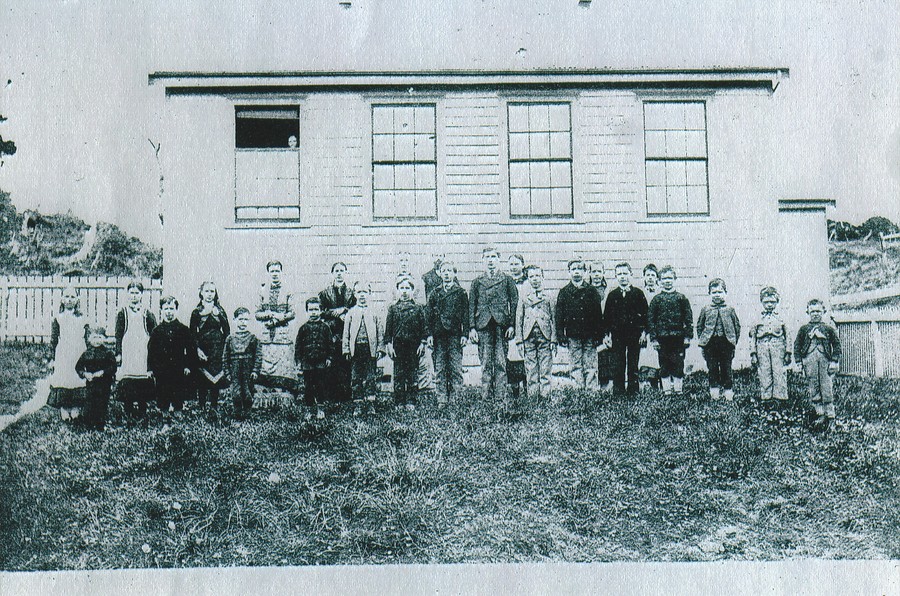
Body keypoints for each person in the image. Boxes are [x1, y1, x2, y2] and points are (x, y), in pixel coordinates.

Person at [469, 247, 519, 401]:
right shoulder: (477, 282)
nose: (490, 260)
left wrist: (511, 325)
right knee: (485, 362)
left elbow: (514, 303)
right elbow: (471, 305)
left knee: (500, 361)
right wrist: (472, 328)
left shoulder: (507, 280)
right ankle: (486, 396)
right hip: (483, 325)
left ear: (499, 260)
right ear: (483, 260)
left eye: (493, 257)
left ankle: (500, 396)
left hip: (501, 325)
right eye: (487, 257)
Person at [555, 258, 604, 392]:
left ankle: (591, 392)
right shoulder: (564, 292)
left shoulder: (592, 291)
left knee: (590, 364)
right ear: (569, 272)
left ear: (584, 272)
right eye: (573, 269)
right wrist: (561, 335)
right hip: (573, 335)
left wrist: (598, 335)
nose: (576, 272)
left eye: (579, 269)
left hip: (590, 335)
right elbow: (559, 316)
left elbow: (598, 315)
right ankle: (578, 391)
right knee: (575, 364)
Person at [794, 299, 842, 432]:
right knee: (813, 386)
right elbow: (797, 345)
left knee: (826, 387)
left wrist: (834, 360)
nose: (815, 314)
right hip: (809, 360)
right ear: (808, 312)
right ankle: (820, 414)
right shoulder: (804, 329)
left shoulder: (828, 328)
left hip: (825, 361)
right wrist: (798, 361)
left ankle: (830, 416)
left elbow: (837, 345)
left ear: (823, 312)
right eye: (813, 311)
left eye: (818, 311)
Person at [426, 260, 469, 407]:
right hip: (439, 336)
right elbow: (429, 316)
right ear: (439, 273)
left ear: (454, 273)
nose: (446, 274)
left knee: (455, 367)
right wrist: (430, 335)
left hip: (455, 335)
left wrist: (465, 334)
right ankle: (442, 399)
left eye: (449, 271)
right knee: (440, 367)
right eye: (444, 271)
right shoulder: (434, 293)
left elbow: (465, 315)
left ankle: (456, 398)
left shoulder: (461, 292)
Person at [647, 266, 693, 396]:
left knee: (678, 363)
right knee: (664, 364)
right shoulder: (656, 300)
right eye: (664, 278)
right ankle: (667, 390)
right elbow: (651, 320)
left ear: (675, 279)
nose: (667, 281)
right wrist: (654, 338)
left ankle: (678, 390)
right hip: (662, 338)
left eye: (670, 278)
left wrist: (687, 336)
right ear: (659, 281)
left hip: (678, 337)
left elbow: (688, 318)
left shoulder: (681, 298)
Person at [603, 263, 648, 396]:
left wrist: (644, 333)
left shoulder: (638, 294)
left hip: (634, 335)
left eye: (625, 273)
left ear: (631, 274)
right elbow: (607, 318)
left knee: (633, 363)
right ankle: (618, 391)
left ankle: (633, 391)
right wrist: (607, 335)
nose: (623, 277)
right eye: (620, 274)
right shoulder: (612, 295)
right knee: (618, 363)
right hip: (618, 335)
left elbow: (645, 315)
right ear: (616, 276)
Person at [256, 261, 297, 407]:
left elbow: (292, 312)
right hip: (267, 333)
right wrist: (269, 315)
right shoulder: (262, 291)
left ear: (281, 272)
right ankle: (266, 396)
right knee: (266, 362)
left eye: (277, 271)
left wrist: (279, 317)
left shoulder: (288, 290)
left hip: (282, 333)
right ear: (268, 273)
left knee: (282, 363)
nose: (274, 274)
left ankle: (284, 397)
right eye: (272, 271)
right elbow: (257, 313)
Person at [115, 280, 157, 420]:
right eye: (131, 293)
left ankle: (142, 410)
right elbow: (119, 335)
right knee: (128, 381)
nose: (134, 296)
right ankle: (128, 411)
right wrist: (119, 353)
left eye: (137, 293)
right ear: (127, 295)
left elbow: (154, 334)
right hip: (128, 353)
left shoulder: (147, 313)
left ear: (141, 295)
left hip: (142, 353)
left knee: (142, 382)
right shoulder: (123, 313)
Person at [148, 296, 197, 414]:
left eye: (171, 309)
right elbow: (151, 351)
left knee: (178, 392)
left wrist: (188, 366)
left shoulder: (183, 329)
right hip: (162, 369)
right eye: (166, 309)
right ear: (161, 310)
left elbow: (191, 350)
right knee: (162, 392)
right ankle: (164, 415)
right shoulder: (157, 331)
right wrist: (150, 368)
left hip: (178, 368)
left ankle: (178, 414)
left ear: (176, 310)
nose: (169, 312)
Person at [384, 277, 427, 409]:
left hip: (413, 346)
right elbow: (388, 330)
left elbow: (423, 328)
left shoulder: (418, 308)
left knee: (412, 374)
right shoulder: (393, 309)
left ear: (412, 290)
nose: (404, 291)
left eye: (407, 288)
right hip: (398, 346)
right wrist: (389, 344)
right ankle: (399, 401)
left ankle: (411, 400)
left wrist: (422, 343)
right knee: (399, 374)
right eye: (401, 288)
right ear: (397, 290)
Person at [696, 278, 741, 401]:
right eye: (714, 292)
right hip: (711, 344)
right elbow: (700, 326)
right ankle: (714, 394)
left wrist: (733, 341)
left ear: (725, 293)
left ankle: (728, 393)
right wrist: (703, 340)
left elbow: (737, 326)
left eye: (720, 292)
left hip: (726, 343)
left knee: (727, 368)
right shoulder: (706, 309)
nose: (717, 295)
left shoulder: (730, 309)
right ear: (709, 293)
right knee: (712, 368)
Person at [47, 286, 87, 423]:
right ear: (62, 299)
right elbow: (53, 339)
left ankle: (76, 408)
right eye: (67, 297)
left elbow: (87, 337)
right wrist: (52, 358)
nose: (69, 300)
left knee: (77, 378)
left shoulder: (82, 318)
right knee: (64, 378)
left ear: (77, 300)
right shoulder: (58, 318)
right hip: (63, 352)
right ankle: (64, 409)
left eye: (72, 297)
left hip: (78, 352)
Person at [516, 265, 556, 399]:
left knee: (545, 368)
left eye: (537, 276)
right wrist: (519, 340)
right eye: (531, 276)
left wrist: (554, 339)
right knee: (531, 368)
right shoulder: (523, 297)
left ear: (542, 277)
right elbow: (519, 318)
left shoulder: (549, 296)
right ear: (528, 278)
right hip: (528, 336)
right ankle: (533, 398)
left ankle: (545, 396)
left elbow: (554, 318)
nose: (535, 279)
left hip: (545, 336)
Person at [319, 262, 355, 403]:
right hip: (331, 333)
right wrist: (337, 313)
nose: (339, 273)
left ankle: (346, 395)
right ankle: (330, 396)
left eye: (342, 271)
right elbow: (321, 312)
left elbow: (355, 309)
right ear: (332, 273)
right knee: (331, 364)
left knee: (345, 363)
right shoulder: (324, 293)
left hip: (347, 334)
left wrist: (345, 312)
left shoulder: (352, 293)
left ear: (346, 273)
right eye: (336, 271)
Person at [749, 287, 792, 407]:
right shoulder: (757, 318)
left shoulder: (781, 318)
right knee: (764, 372)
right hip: (762, 347)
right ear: (761, 302)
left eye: (772, 302)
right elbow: (752, 337)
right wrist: (753, 354)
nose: (769, 305)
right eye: (766, 302)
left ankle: (780, 398)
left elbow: (787, 335)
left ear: (777, 302)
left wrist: (788, 352)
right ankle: (766, 398)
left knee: (779, 371)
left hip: (778, 347)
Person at [190, 281, 230, 410]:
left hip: (217, 349)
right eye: (206, 291)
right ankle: (201, 405)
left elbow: (227, 331)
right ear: (201, 293)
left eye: (212, 291)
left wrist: (224, 348)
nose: (209, 294)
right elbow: (192, 333)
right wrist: (197, 349)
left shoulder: (220, 310)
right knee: (202, 378)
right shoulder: (196, 312)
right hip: (203, 349)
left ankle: (214, 406)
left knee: (216, 377)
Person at [342, 282, 383, 405]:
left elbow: (380, 331)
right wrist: (346, 349)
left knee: (370, 377)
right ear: (354, 294)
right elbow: (346, 333)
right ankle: (358, 402)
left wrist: (380, 348)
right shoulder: (351, 313)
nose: (362, 295)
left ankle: (370, 402)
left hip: (370, 348)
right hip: (356, 349)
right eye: (359, 292)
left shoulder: (375, 312)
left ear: (369, 294)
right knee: (356, 377)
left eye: (365, 292)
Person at [295, 297, 333, 419]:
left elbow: (330, 345)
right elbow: (298, 345)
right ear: (307, 311)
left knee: (321, 385)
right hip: (307, 362)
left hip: (321, 361)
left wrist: (329, 358)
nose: (313, 312)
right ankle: (308, 409)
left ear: (320, 310)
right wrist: (298, 360)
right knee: (308, 386)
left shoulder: (325, 327)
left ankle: (320, 409)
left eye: (316, 309)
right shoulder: (303, 328)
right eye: (310, 310)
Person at [75, 325, 117, 431]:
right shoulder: (86, 353)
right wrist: (84, 374)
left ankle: (100, 424)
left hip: (104, 383)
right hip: (91, 383)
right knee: (90, 402)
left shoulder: (108, 353)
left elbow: (113, 367)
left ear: (104, 338)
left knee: (102, 403)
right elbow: (78, 367)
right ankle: (89, 424)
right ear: (89, 339)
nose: (97, 341)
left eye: (100, 337)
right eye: (94, 338)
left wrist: (103, 372)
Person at [223, 307, 262, 419]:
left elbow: (258, 356)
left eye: (246, 319)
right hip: (235, 369)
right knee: (236, 392)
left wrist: (255, 370)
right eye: (240, 319)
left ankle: (247, 413)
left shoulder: (253, 338)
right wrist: (227, 372)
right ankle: (237, 414)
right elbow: (225, 357)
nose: (243, 322)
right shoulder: (230, 339)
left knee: (247, 391)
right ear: (234, 320)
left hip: (247, 369)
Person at [506, 254, 528, 399]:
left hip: (525, 323)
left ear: (522, 265)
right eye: (511, 264)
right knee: (512, 356)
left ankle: (527, 389)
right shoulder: (506, 282)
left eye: (517, 264)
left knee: (526, 355)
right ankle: (515, 392)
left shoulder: (528, 282)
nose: (514, 267)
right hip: (510, 323)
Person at [589, 260, 614, 392]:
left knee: (605, 358)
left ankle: (605, 388)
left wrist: (607, 332)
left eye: (599, 272)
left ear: (603, 273)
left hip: (605, 329)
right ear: (590, 273)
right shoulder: (587, 289)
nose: (597, 275)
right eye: (594, 272)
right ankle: (592, 387)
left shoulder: (607, 291)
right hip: (591, 329)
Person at [638, 264, 661, 391]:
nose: (650, 278)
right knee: (644, 356)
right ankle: (644, 382)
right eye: (648, 275)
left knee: (656, 356)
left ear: (657, 278)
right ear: (644, 277)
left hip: (658, 330)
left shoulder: (660, 292)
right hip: (645, 330)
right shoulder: (641, 293)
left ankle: (655, 382)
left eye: (653, 275)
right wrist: (643, 331)